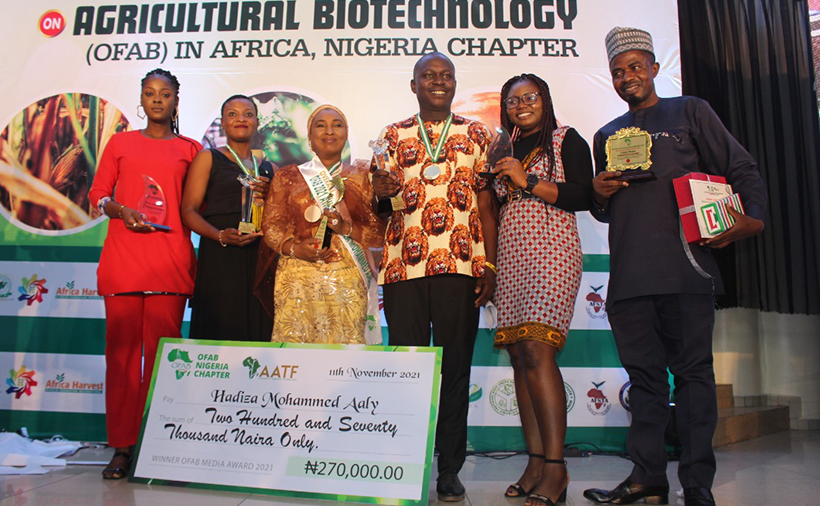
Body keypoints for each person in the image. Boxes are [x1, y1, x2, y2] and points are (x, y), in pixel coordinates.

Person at [582, 28, 766, 506]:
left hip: (686, 271)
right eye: (619, 71)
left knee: (693, 379)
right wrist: (598, 196)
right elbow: (609, 209)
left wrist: (752, 217)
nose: (628, 77)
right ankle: (647, 479)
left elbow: (740, 167)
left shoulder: (690, 112)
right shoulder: (606, 135)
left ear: (654, 69)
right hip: (629, 279)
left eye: (636, 67)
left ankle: (698, 485)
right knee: (643, 383)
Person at [370, 51, 497, 502]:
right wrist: (382, 195)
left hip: (461, 266)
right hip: (403, 266)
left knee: (456, 368)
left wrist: (491, 264)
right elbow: (380, 205)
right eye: (429, 75)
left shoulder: (478, 134)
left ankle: (449, 468)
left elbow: (486, 205)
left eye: (446, 75)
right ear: (414, 85)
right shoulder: (392, 134)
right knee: (406, 368)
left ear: (455, 83)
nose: (438, 82)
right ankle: (402, 461)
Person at [88, 68, 201, 479]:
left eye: (165, 93)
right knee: (120, 359)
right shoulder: (119, 143)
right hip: (122, 263)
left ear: (176, 99)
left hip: (169, 264)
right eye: (150, 93)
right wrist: (120, 210)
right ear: (141, 99)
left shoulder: (192, 150)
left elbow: (195, 207)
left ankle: (158, 447)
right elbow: (98, 195)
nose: (157, 100)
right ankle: (122, 447)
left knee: (163, 359)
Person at [491, 74, 592, 506]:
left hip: (553, 250)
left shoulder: (567, 139)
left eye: (530, 97)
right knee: (519, 356)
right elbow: (492, 206)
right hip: (512, 257)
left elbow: (585, 195)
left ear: (545, 100)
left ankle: (556, 467)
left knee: (537, 350)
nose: (521, 105)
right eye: (513, 100)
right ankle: (535, 462)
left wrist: (526, 180)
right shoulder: (502, 150)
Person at [261, 104, 384, 343]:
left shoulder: (363, 177)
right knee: (296, 354)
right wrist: (295, 249)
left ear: (346, 135)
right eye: (321, 125)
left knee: (345, 354)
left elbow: (378, 233)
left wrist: (346, 229)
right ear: (309, 136)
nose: (329, 131)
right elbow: (271, 226)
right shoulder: (287, 176)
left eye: (337, 125)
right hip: (296, 278)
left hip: (348, 276)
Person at [181, 95, 274, 342]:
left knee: (258, 332)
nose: (240, 119)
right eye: (232, 114)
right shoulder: (209, 158)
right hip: (220, 255)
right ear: (222, 122)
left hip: (258, 258)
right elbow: (188, 211)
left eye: (247, 114)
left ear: (256, 121)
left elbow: (277, 218)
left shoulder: (268, 167)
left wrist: (269, 198)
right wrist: (220, 235)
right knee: (219, 331)